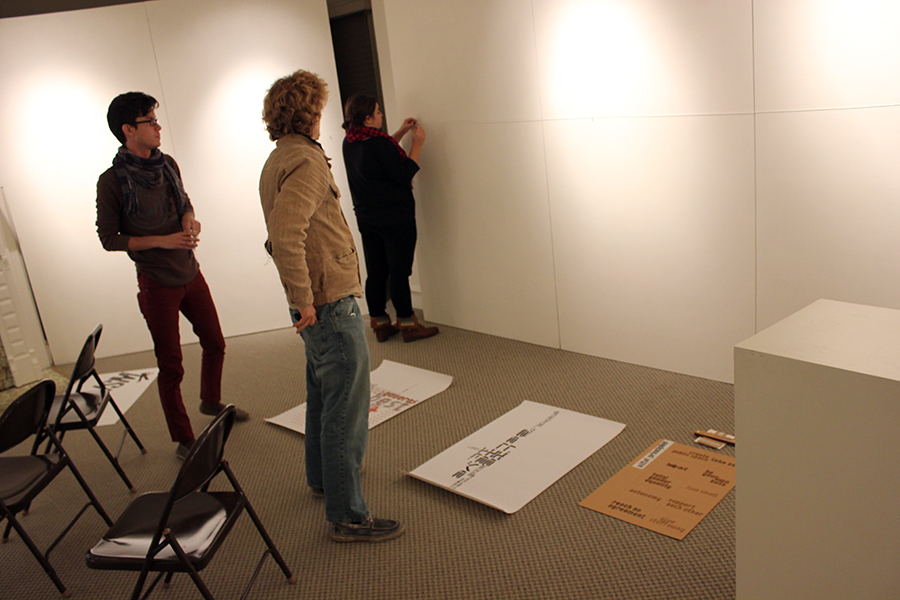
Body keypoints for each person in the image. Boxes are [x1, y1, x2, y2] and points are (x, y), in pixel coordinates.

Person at [259, 70, 404, 543]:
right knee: (345, 408)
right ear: (309, 113)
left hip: (316, 301)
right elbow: (284, 235)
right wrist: (302, 298)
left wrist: (300, 295)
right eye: (319, 109)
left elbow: (278, 235)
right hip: (328, 303)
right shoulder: (306, 161)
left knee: (324, 395)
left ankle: (323, 479)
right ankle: (348, 515)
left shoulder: (280, 158)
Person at [96, 91, 248, 460]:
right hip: (156, 283)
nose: (158, 126)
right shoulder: (112, 181)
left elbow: (185, 201)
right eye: (150, 121)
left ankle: (210, 401)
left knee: (215, 342)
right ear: (128, 129)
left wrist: (188, 218)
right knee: (171, 365)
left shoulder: (168, 165)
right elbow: (109, 239)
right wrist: (163, 240)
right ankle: (183, 438)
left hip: (189, 272)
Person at [341, 94, 439, 343]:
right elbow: (404, 172)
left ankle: (380, 323)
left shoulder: (351, 142)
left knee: (376, 271)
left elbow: (380, 155)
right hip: (396, 218)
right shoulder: (379, 144)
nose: (381, 114)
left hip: (368, 218)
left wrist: (401, 133)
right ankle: (408, 323)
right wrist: (417, 144)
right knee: (399, 272)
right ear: (368, 118)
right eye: (377, 111)